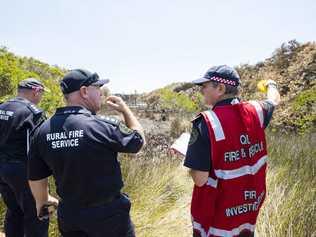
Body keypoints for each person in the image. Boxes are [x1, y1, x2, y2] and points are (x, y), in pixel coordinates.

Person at [28, 69, 145, 237]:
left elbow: (36, 176)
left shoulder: (42, 131)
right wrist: (125, 110)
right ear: (84, 91)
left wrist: (42, 201)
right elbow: (138, 141)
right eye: (97, 88)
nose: (101, 94)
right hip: (108, 217)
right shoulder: (101, 126)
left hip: (69, 216)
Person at [184, 65, 281, 237]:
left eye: (204, 86)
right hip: (247, 210)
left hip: (216, 217)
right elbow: (274, 100)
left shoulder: (204, 123)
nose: (201, 91)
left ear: (220, 88)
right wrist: (271, 84)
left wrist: (189, 156)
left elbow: (200, 179)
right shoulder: (256, 111)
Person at [0, 78, 49, 237]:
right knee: (38, 213)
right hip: (22, 170)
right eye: (41, 93)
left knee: (14, 210)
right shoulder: (33, 113)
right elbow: (37, 149)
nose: (41, 97)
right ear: (36, 91)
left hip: (2, 169)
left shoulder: (2, 107)